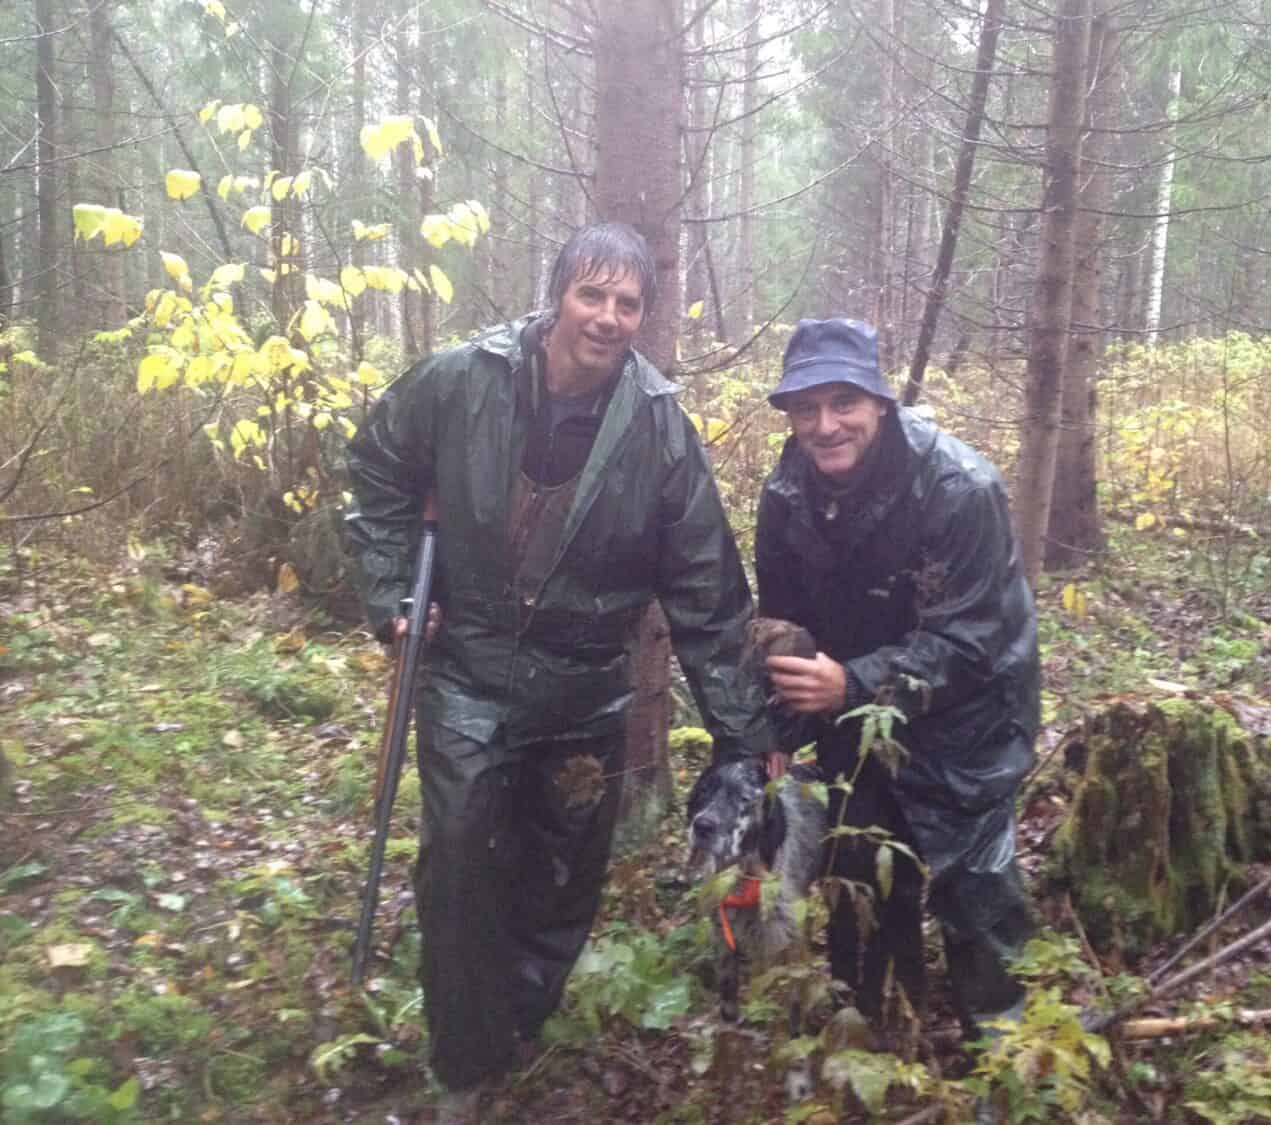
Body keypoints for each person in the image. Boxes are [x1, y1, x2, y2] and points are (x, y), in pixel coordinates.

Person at [345, 222, 775, 1122]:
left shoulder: (659, 429)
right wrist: (391, 587)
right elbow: (377, 464)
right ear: (556, 296)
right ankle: (463, 1063)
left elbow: (706, 590)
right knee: (459, 860)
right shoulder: (462, 380)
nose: (609, 318)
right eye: (592, 294)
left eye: (628, 303)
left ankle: (521, 1021)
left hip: (586, 691)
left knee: (562, 878)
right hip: (468, 675)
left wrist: (743, 735)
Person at [754, 317, 1040, 1041]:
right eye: (806, 408)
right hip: (851, 721)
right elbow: (782, 626)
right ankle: (882, 1051)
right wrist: (777, 732)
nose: (826, 425)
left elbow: (970, 640)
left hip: (970, 722)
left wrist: (851, 683)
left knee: (978, 905)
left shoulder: (958, 488)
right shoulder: (784, 496)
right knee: (866, 893)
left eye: (843, 402)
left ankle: (1003, 1065)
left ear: (880, 401)